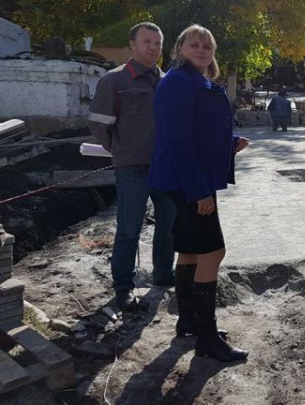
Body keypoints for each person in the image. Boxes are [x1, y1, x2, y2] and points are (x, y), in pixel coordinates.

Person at [148, 24, 249, 362]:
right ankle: (207, 339)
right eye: (195, 45)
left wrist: (229, 147)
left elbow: (197, 134)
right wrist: (199, 191)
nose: (202, 50)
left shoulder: (196, 82)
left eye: (207, 46)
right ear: (179, 49)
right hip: (188, 183)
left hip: (189, 180)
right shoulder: (178, 83)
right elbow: (177, 142)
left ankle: (189, 322)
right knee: (213, 252)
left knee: (190, 251)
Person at [88, 22, 176, 312]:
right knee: (129, 230)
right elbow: (100, 125)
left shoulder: (165, 80)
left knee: (169, 225)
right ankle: (123, 288)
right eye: (147, 42)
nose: (153, 48)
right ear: (132, 45)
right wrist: (121, 150)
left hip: (165, 169)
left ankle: (164, 274)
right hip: (132, 169)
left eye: (157, 44)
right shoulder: (115, 80)